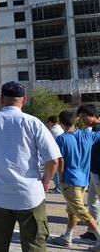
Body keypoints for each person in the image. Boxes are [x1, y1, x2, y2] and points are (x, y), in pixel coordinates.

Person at [0, 81, 61, 252]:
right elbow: (53, 160)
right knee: (35, 247)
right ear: (24, 99)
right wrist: (45, 181)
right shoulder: (33, 122)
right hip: (30, 196)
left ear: (1, 99)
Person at [50, 111, 100, 249]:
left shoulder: (62, 139)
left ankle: (99, 238)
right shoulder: (87, 135)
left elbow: (60, 161)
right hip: (84, 180)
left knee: (81, 212)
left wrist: (60, 179)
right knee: (72, 210)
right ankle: (67, 237)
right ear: (75, 120)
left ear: (60, 123)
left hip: (70, 180)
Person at [77, 104, 100, 241]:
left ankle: (93, 232)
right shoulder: (94, 129)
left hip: (98, 171)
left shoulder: (97, 131)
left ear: (89, 115)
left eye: (83, 117)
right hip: (94, 171)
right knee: (92, 201)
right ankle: (92, 231)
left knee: (94, 202)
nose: (82, 120)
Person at [47, 115, 64, 194]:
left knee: (56, 171)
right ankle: (58, 187)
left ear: (51, 122)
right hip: (62, 151)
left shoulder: (53, 130)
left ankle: (58, 188)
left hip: (56, 152)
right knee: (59, 170)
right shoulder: (60, 128)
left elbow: (49, 141)